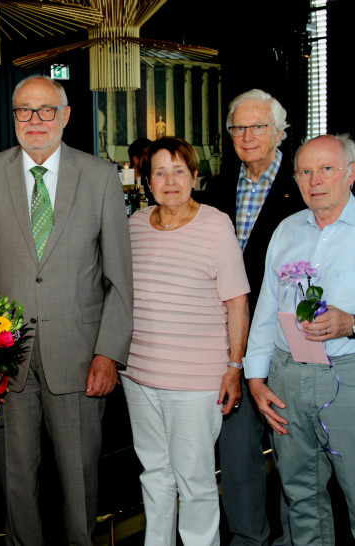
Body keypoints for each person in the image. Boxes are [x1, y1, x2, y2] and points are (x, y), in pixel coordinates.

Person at [0, 75, 133, 545]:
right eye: (24, 110)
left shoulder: (99, 176)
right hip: (7, 362)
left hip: (80, 359)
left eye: (46, 110)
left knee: (80, 481)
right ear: (12, 115)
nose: (35, 120)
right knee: (15, 481)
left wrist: (108, 354)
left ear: (66, 116)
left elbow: (119, 277)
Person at [121, 136, 250, 545]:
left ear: (195, 176)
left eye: (179, 171)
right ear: (147, 180)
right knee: (154, 473)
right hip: (139, 375)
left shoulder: (216, 224)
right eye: (160, 172)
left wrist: (235, 367)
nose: (170, 180)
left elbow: (237, 304)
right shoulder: (135, 225)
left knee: (193, 480)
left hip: (196, 382)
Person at [202, 89, 304, 545]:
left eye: (258, 126)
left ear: (280, 132)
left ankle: (294, 539)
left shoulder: (303, 184)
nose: (247, 135)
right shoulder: (218, 188)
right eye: (238, 127)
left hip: (291, 342)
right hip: (230, 344)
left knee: (294, 457)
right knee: (238, 455)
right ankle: (248, 538)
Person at [244, 134, 355, 545]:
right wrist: (256, 380)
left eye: (327, 168)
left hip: (348, 378)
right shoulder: (286, 231)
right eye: (305, 171)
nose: (316, 180)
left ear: (351, 173)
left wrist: (352, 323)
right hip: (286, 379)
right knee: (301, 500)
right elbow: (266, 314)